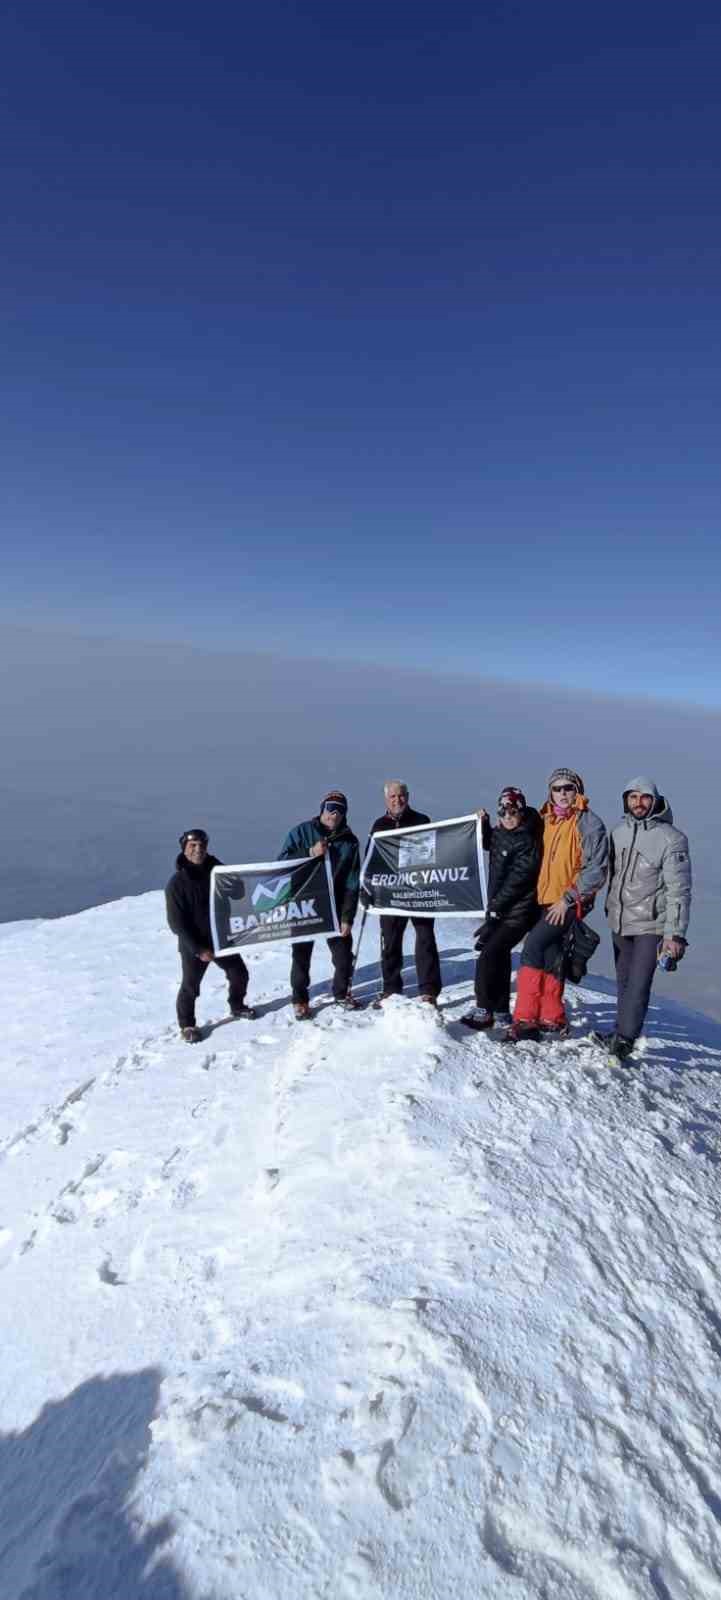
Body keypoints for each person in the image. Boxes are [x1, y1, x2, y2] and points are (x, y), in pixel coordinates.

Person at [507, 769, 608, 1042]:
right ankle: (551, 1018)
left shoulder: (588, 823)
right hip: (543, 899)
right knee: (552, 954)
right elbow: (513, 836)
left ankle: (525, 1019)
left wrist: (568, 900)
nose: (562, 793)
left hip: (569, 902)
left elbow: (596, 870)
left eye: (568, 788)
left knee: (532, 948)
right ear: (549, 792)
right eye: (557, 788)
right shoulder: (545, 820)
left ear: (578, 791)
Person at [599, 777, 691, 1061]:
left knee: (638, 983)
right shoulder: (618, 833)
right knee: (624, 981)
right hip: (620, 920)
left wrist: (674, 935)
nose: (638, 803)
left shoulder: (672, 838)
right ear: (626, 800)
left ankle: (625, 1040)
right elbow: (610, 875)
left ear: (655, 800)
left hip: (652, 924)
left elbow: (680, 890)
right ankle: (620, 1031)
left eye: (645, 797)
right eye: (633, 797)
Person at [461, 788, 541, 1031]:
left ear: (522, 811)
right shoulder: (501, 833)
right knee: (500, 954)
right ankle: (501, 1009)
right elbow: (488, 843)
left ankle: (484, 1009)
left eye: (513, 811)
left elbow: (518, 881)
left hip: (519, 911)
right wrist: (482, 824)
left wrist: (494, 911)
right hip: (500, 909)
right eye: (502, 811)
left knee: (488, 953)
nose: (507, 815)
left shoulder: (528, 839)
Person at [165, 829, 255, 1043]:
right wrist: (197, 949)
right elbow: (176, 923)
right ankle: (187, 1025)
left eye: (201, 845)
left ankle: (237, 1006)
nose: (198, 850)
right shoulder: (177, 884)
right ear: (184, 850)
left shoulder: (218, 871)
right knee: (190, 986)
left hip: (221, 938)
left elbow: (238, 893)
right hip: (194, 945)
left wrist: (231, 878)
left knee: (239, 973)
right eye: (192, 846)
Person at [279, 790, 361, 1019]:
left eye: (339, 810)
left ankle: (341, 993)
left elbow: (352, 882)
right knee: (301, 955)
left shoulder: (350, 841)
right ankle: (300, 999)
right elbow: (282, 862)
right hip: (304, 902)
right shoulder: (302, 832)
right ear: (322, 809)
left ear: (344, 814)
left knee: (343, 954)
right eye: (330, 808)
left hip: (333, 904)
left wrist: (347, 917)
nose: (333, 814)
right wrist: (310, 852)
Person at [368, 780, 442, 1006]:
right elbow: (371, 859)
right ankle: (391, 988)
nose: (397, 800)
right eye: (392, 796)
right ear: (386, 799)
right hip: (391, 893)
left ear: (407, 796)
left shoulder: (421, 820)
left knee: (425, 939)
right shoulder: (379, 825)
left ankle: (429, 990)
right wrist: (368, 887)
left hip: (419, 891)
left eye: (401, 796)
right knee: (389, 941)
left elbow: (433, 852)